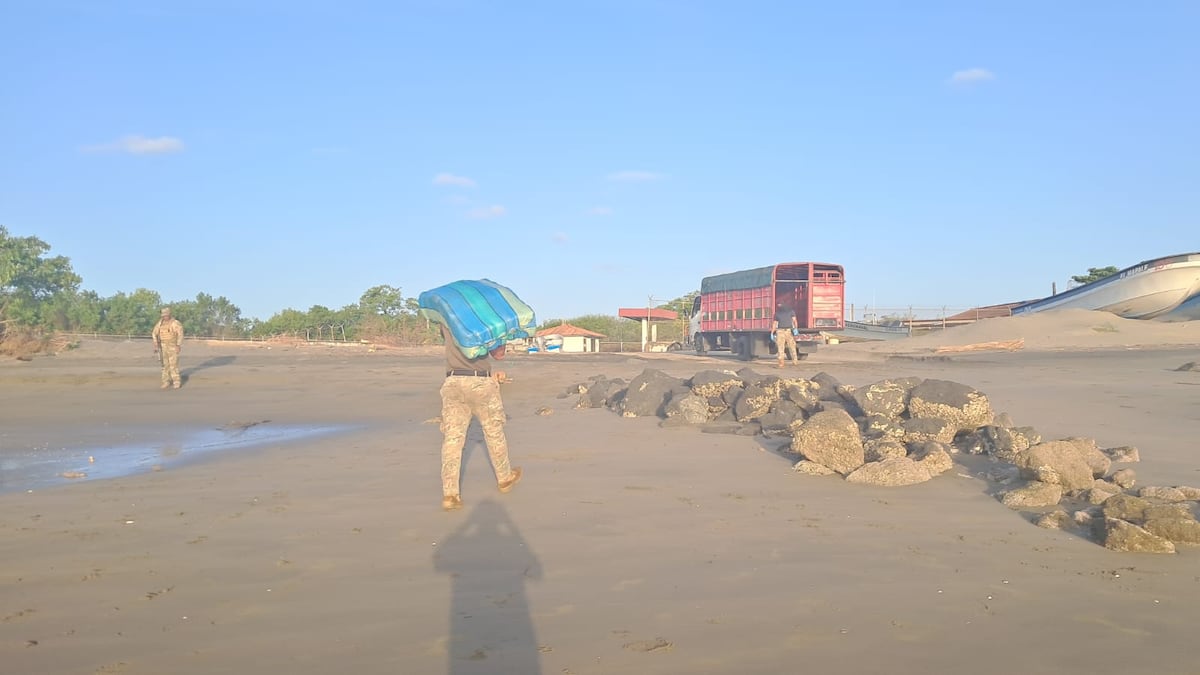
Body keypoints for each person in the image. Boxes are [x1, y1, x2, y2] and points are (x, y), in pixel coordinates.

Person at [438, 323, 522, 511]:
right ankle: (504, 478)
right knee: (494, 432)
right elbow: (498, 355)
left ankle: (450, 494)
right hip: (480, 381)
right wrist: (503, 337)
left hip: (453, 381)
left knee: (453, 439)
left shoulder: (446, 320)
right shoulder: (485, 320)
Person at [151, 307, 184, 389]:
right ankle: (166, 381)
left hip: (173, 345)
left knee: (173, 364)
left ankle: (176, 381)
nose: (165, 317)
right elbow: (154, 333)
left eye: (166, 315)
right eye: (163, 315)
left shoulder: (175, 323)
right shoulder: (160, 323)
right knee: (165, 365)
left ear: (169, 314)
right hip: (163, 346)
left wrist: (178, 345)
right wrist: (155, 343)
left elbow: (180, 334)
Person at [773, 302, 799, 368]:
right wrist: (795, 329)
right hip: (788, 331)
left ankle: (781, 364)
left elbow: (774, 324)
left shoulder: (777, 313)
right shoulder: (791, 312)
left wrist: (772, 332)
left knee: (780, 348)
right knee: (792, 346)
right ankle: (795, 361)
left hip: (780, 332)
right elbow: (794, 321)